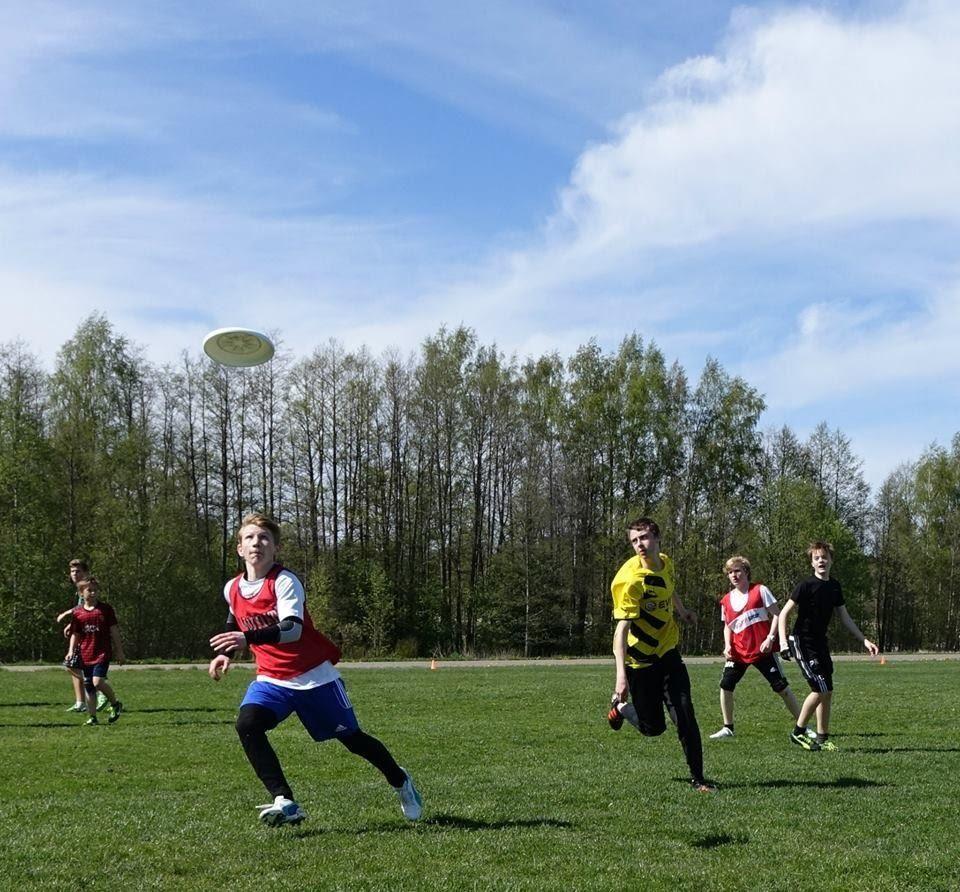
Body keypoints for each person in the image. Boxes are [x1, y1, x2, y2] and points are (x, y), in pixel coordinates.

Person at [208, 513, 423, 827]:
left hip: (313, 678)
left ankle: (400, 780)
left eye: (265, 538)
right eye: (250, 538)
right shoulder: (232, 588)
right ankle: (284, 799)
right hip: (271, 679)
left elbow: (292, 629)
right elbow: (235, 619)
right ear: (239, 548)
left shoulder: (284, 581)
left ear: (276, 547)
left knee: (352, 740)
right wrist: (226, 652)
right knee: (248, 724)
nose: (257, 543)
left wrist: (246, 638)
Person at [607, 517, 715, 792]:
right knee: (652, 729)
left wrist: (682, 611)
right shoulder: (630, 582)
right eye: (634, 540)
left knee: (685, 715)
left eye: (643, 537)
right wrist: (621, 678)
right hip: (639, 663)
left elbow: (668, 588)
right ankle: (619, 708)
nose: (639, 545)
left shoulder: (666, 562)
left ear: (656, 537)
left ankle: (698, 779)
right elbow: (621, 632)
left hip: (668, 654)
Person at [778, 540, 879, 752]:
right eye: (816, 558)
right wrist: (782, 642)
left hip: (820, 643)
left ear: (831, 560)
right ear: (812, 563)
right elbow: (784, 614)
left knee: (828, 690)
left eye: (824, 557)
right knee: (820, 688)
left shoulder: (834, 586)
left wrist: (864, 640)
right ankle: (798, 732)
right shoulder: (805, 586)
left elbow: (845, 617)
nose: (821, 560)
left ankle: (823, 738)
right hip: (802, 642)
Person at [709, 555, 811, 740]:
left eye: (737, 570)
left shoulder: (760, 590)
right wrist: (727, 646)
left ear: (746, 572)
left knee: (782, 688)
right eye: (730, 572)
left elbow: (778, 615)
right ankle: (728, 727)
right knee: (726, 685)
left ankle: (803, 726)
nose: (734, 575)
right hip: (738, 653)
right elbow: (727, 626)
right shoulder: (725, 600)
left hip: (762, 651)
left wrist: (771, 638)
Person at [65, 577, 124, 726]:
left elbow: (114, 631)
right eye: (89, 590)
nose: (93, 593)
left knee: (97, 682)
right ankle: (92, 717)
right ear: (81, 593)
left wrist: (119, 651)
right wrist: (71, 651)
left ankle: (115, 704)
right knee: (89, 686)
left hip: (102, 653)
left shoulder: (105, 610)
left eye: (95, 590)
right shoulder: (78, 613)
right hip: (85, 654)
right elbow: (75, 634)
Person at [56, 559, 107, 713]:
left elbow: (84, 609)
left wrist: (66, 616)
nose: (74, 574)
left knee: (73, 664)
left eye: (78, 571)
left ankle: (100, 692)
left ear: (85, 573)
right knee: (74, 665)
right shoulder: (78, 589)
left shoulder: (87, 587)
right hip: (81, 634)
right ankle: (81, 702)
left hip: (90, 636)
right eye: (72, 571)